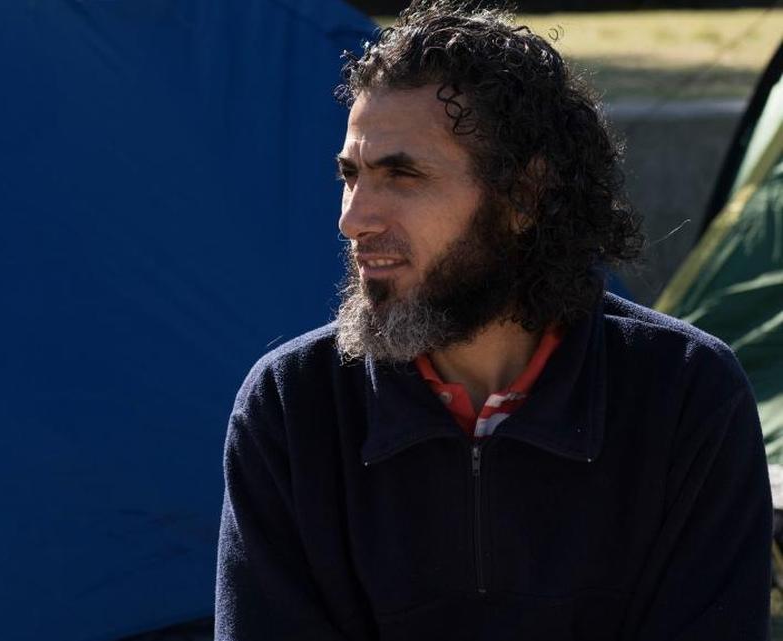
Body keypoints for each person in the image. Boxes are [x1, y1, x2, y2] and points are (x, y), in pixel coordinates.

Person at [213, 2, 773, 640]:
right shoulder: (292, 406)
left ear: (523, 197)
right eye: (351, 175)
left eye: (402, 175)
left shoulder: (685, 393)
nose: (353, 219)